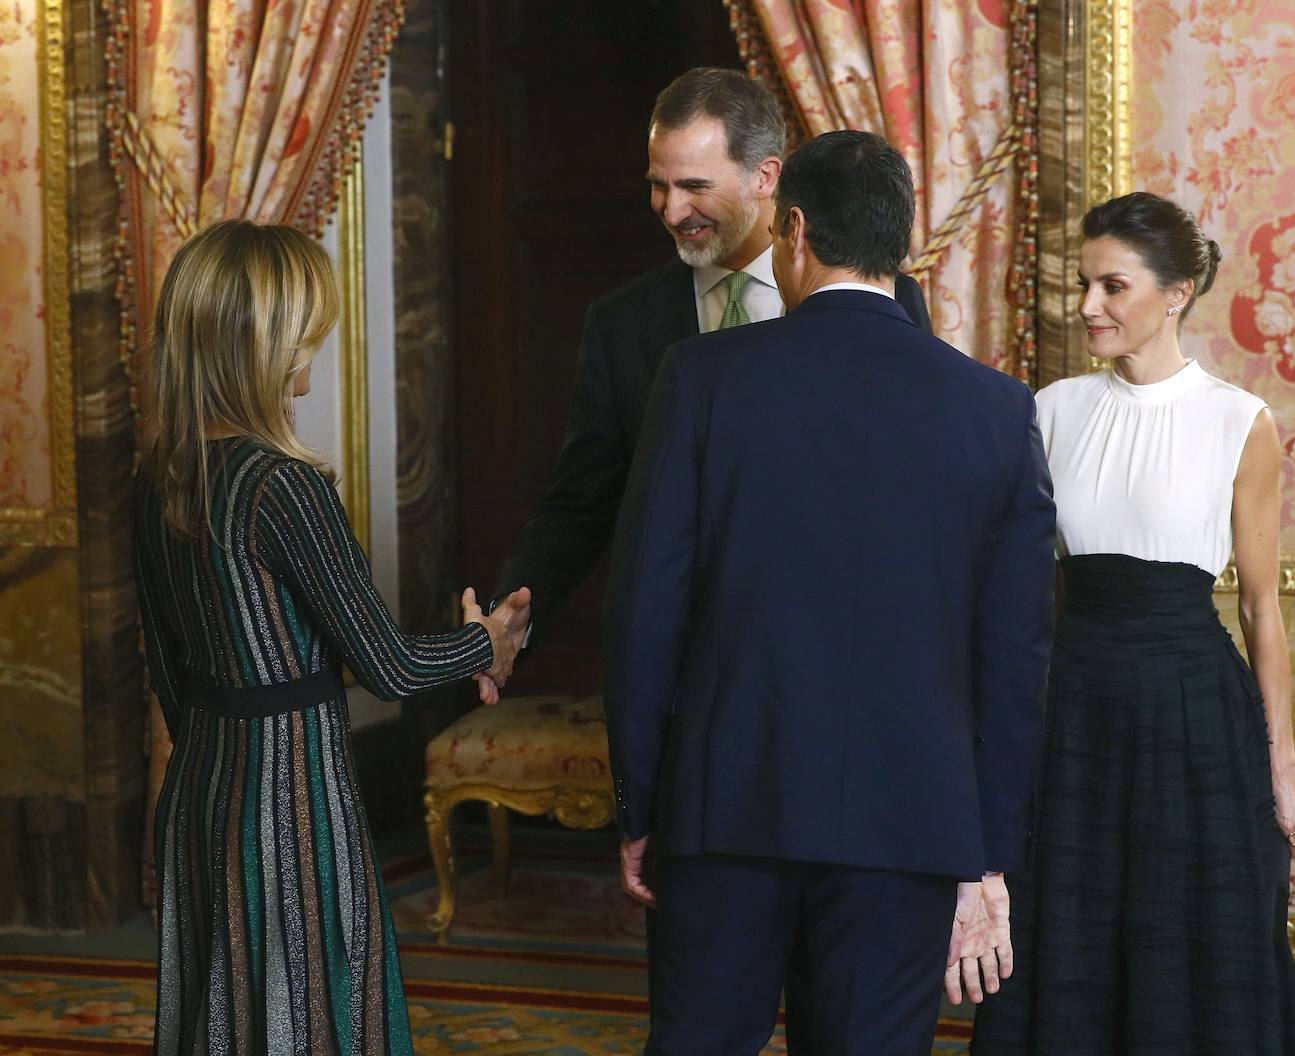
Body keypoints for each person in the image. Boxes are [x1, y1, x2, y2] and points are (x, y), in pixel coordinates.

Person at [603, 129, 1056, 1055]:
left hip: (722, 808)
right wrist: (986, 859)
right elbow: (1016, 663)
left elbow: (644, 616)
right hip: (914, 820)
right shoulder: (1000, 412)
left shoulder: (700, 380)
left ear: (795, 229)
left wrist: (642, 810)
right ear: (900, 245)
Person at [132, 219, 527, 1056]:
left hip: (203, 786)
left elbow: (168, 669)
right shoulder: (281, 485)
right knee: (312, 1012)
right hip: (290, 797)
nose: (319, 335)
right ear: (263, 340)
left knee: (227, 1015)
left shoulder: (160, 476)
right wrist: (486, 641)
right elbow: (385, 663)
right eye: (307, 321)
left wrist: (230, 732)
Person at [969, 191, 1295, 1054]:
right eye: (1083, 285)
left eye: (1112, 286)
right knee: (1070, 935)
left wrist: (1281, 763)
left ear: (1177, 291)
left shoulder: (1241, 422)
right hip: (1073, 708)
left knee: (1194, 944)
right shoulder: (1048, 410)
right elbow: (1012, 588)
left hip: (1195, 714)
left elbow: (1261, 606)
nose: (1088, 306)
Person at [482, 66, 932, 654]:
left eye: (694, 185)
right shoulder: (622, 324)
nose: (671, 211)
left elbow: (911, 479)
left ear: (766, 176)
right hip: (685, 660)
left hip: (845, 645)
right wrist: (510, 614)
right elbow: (580, 504)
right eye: (658, 185)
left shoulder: (884, 299)